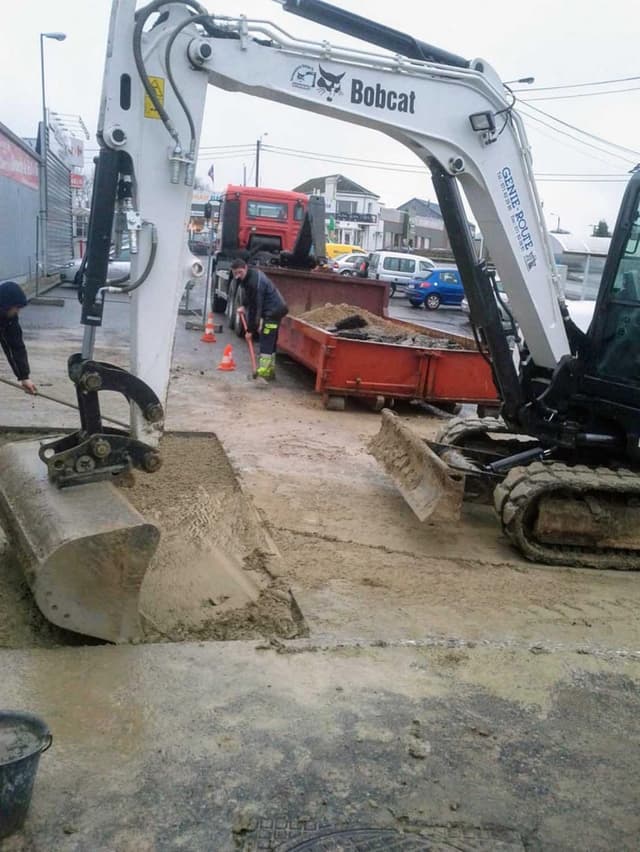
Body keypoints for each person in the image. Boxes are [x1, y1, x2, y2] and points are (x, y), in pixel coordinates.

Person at [230, 259, 288, 380]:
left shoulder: (254, 281)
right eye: (235, 273)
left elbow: (255, 309)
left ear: (245, 268)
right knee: (271, 340)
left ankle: (264, 373)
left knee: (266, 339)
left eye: (240, 272)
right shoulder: (250, 276)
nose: (238, 276)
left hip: (272, 311)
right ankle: (270, 371)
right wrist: (243, 305)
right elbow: (249, 296)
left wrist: (250, 331)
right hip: (277, 309)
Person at [0, 281, 37, 394]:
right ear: (6, 305)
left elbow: (15, 347)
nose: (18, 311)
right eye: (16, 307)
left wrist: (24, 377)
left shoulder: (9, 319)